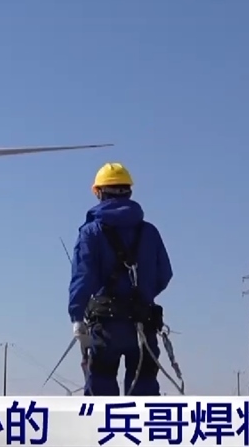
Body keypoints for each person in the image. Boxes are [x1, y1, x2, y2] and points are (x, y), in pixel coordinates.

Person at [68, 162, 173, 396]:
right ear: (129, 192)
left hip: (106, 326)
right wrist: (143, 294)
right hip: (143, 322)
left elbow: (82, 277)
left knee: (101, 394)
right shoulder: (149, 232)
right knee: (144, 395)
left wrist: (77, 317)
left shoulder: (90, 233)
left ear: (98, 192)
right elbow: (164, 274)